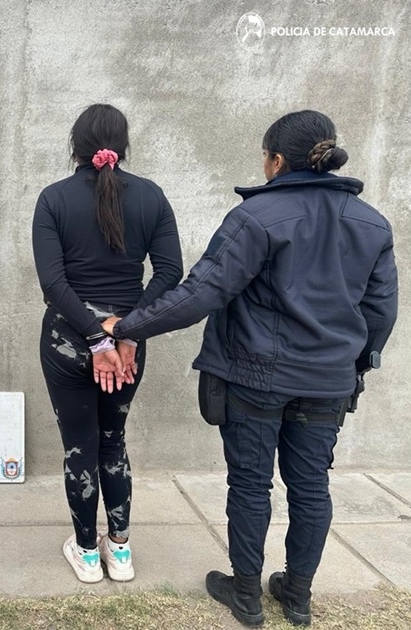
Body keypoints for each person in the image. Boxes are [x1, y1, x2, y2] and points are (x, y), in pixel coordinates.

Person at [102, 110, 397, 626]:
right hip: (327, 383)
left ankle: (246, 595)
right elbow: (381, 312)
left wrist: (125, 327)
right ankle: (297, 597)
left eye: (264, 156)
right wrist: (352, 367)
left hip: (256, 379)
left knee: (250, 485)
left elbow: (199, 293)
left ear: (277, 161)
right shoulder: (372, 223)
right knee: (311, 487)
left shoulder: (256, 218)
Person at [32, 104, 184, 583]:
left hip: (68, 340)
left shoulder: (53, 199)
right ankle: (119, 552)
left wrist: (96, 338)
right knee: (113, 441)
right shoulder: (151, 196)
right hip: (128, 345)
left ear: (75, 146)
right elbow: (170, 272)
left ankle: (86, 554)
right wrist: (128, 331)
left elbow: (53, 284)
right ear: (124, 145)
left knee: (80, 448)